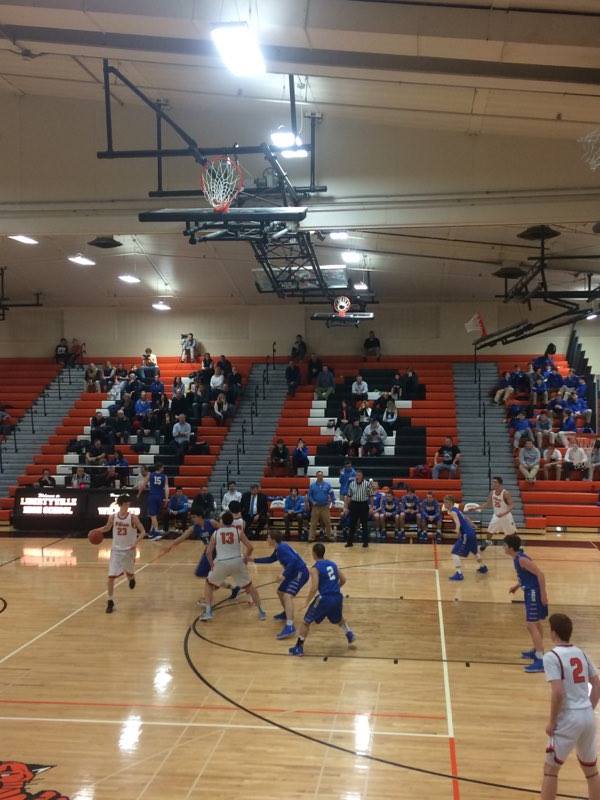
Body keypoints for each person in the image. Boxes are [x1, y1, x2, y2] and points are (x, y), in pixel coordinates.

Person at [540, 613, 600, 800]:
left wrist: (551, 722)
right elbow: (597, 683)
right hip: (588, 716)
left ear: (553, 633)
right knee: (591, 771)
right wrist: (588, 709)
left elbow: (558, 693)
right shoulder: (581, 652)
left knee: (551, 769)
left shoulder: (551, 656)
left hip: (569, 718)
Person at [288, 543, 355, 656]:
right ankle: (349, 633)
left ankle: (298, 648)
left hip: (324, 598)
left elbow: (314, 587)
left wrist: (306, 602)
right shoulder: (332, 564)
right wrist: (334, 588)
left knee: (306, 622)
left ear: (314, 553)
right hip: (337, 597)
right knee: (338, 619)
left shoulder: (315, 568)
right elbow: (343, 579)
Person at [199, 511, 267, 622]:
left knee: (209, 584)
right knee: (249, 586)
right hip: (237, 561)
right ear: (231, 521)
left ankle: (208, 611)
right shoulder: (238, 531)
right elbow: (250, 547)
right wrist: (245, 558)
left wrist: (212, 565)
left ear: (221, 521)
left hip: (221, 563)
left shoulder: (216, 533)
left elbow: (208, 552)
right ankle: (261, 612)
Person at [165, 512, 240, 605]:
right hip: (208, 552)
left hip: (218, 551)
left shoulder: (211, 522)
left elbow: (224, 530)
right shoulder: (194, 528)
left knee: (210, 577)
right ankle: (233, 588)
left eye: (194, 516)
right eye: (192, 517)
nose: (193, 519)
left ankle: (207, 599)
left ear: (200, 516)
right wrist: (170, 546)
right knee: (200, 573)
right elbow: (182, 537)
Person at [503, 533, 548, 673]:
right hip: (529, 591)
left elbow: (540, 574)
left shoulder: (522, 559)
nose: (503, 547)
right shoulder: (517, 558)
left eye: (504, 545)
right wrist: (516, 586)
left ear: (510, 547)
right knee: (536, 623)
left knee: (530, 624)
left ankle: (540, 659)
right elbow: (526, 575)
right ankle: (537, 650)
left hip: (533, 592)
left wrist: (543, 595)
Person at [93, 495, 145, 614]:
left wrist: (135, 543)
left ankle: (131, 578)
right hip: (116, 550)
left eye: (129, 504)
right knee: (111, 577)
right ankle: (110, 602)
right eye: (126, 504)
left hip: (129, 551)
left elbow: (143, 532)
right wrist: (95, 530)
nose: (128, 506)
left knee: (129, 573)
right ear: (121, 505)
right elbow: (107, 528)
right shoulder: (113, 517)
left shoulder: (133, 518)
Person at [252, 531, 310, 639]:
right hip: (293, 572)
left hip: (300, 573)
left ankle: (290, 626)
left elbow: (293, 561)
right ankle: (286, 613)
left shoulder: (282, 548)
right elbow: (271, 559)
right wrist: (253, 560)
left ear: (273, 540)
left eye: (268, 538)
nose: (266, 540)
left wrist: (283, 575)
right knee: (280, 592)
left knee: (287, 595)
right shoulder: (279, 548)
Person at [443, 495, 488, 581]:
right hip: (471, 532)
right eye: (444, 502)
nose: (445, 504)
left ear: (451, 503)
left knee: (454, 552)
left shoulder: (453, 511)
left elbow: (458, 523)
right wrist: (472, 524)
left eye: (446, 502)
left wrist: (457, 529)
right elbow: (466, 518)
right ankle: (483, 567)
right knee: (475, 552)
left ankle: (459, 573)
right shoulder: (457, 510)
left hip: (466, 534)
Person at [345, 469, 373, 548]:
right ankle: (349, 542)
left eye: (359, 475)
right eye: (356, 475)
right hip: (354, 505)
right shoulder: (352, 484)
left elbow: (371, 496)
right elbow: (349, 496)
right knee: (352, 524)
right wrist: (346, 507)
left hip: (363, 505)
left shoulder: (367, 484)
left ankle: (365, 542)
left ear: (362, 476)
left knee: (364, 525)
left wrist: (371, 507)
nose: (357, 477)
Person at [308, 471, 335, 542]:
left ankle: (329, 536)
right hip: (315, 507)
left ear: (323, 476)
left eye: (321, 475)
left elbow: (332, 494)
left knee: (328, 522)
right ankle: (311, 537)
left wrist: (333, 501)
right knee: (313, 522)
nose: (320, 477)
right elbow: (309, 495)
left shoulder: (328, 485)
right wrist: (313, 501)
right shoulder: (312, 485)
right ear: (316, 476)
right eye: (318, 475)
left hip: (325, 507)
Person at [143, 463, 169, 539]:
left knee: (153, 515)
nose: (163, 469)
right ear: (160, 468)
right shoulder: (164, 476)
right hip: (160, 497)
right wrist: (167, 499)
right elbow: (166, 488)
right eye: (162, 467)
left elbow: (143, 484)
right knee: (154, 515)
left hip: (152, 496)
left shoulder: (150, 475)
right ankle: (152, 531)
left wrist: (139, 493)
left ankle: (156, 532)